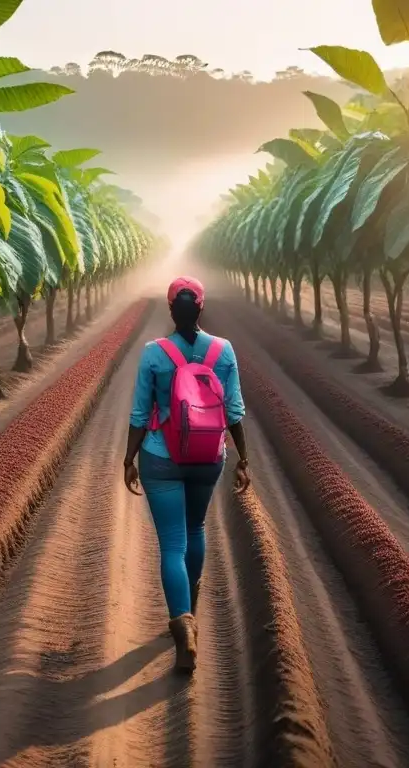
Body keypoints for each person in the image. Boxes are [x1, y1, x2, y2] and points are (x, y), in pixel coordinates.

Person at [123, 276, 250, 673]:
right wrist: (243, 458)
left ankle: (182, 623)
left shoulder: (153, 354)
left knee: (172, 545)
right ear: (201, 308)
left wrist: (129, 459)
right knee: (195, 529)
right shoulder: (223, 351)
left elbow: (141, 415)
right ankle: (190, 611)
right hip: (208, 457)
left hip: (161, 457)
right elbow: (234, 412)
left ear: (169, 309)